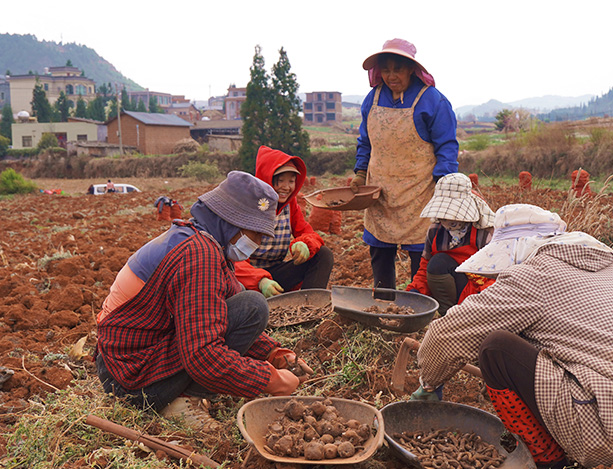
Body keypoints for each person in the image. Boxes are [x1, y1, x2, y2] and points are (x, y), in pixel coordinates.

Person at [414, 204, 613, 469]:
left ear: (515, 249)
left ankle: (547, 462)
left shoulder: (533, 275)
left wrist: (429, 382)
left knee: (496, 348)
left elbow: (447, 335)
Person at [95, 171, 312, 431]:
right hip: (130, 381)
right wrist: (271, 380)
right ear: (232, 222)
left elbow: (226, 313)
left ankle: (180, 392)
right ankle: (184, 402)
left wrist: (273, 353)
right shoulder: (198, 255)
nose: (259, 243)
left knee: (249, 307)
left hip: (126, 364)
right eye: (255, 234)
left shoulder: (201, 241)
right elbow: (203, 356)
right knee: (253, 304)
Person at [351, 38, 459, 292]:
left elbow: (447, 146)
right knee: (379, 249)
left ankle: (418, 303)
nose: (391, 76)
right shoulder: (373, 99)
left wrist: (444, 182)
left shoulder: (432, 100)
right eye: (385, 70)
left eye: (397, 69)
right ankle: (383, 300)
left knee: (420, 252)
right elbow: (365, 141)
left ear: (411, 69)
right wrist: (360, 172)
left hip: (420, 190)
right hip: (381, 190)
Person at [234, 146, 334, 297]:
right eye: (280, 181)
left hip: (276, 274)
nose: (286, 187)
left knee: (323, 255)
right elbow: (234, 259)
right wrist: (259, 280)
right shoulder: (247, 207)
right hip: (247, 280)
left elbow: (308, 233)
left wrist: (305, 243)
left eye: (291, 181)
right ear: (266, 179)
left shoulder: (289, 205)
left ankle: (311, 306)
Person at [406, 173, 495, 315]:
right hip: (448, 287)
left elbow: (494, 275)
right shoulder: (435, 231)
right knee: (437, 263)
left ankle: (462, 314)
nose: (446, 221)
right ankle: (446, 313)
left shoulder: (484, 233)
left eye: (452, 217)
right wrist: (414, 293)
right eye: (443, 216)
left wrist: (481, 306)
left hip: (479, 290)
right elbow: (424, 268)